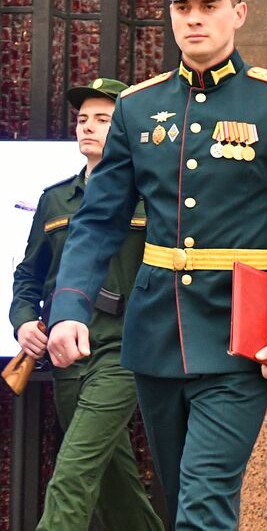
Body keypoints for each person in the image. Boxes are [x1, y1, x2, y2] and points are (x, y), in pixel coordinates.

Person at [46, 0, 267, 530]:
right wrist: (70, 306)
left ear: (239, 11)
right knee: (183, 499)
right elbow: (98, 222)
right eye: (183, 7)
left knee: (204, 504)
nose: (194, 18)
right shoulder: (137, 107)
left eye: (209, 5)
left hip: (239, 337)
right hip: (156, 334)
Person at [9, 78, 163, 531]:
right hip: (67, 356)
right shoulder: (55, 198)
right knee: (116, 486)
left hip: (123, 351)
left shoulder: (153, 197)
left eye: (102, 119)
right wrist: (24, 323)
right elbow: (28, 276)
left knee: (72, 474)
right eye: (82, 120)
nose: (87, 128)